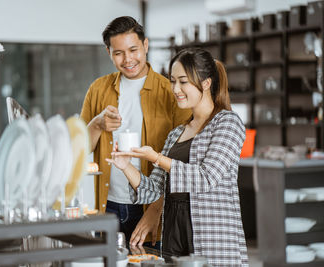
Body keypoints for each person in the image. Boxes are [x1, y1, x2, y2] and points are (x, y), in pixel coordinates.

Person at [107, 48, 249, 266]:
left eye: (183, 82)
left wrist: (156, 157)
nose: (175, 89)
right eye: (173, 81)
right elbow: (153, 189)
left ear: (206, 83)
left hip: (211, 239)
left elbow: (206, 177)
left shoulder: (227, 123)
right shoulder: (176, 133)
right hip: (174, 234)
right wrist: (125, 166)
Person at [80, 16, 191, 247]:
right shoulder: (98, 89)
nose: (128, 59)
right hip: (106, 205)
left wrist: (154, 210)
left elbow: (182, 161)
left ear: (146, 45)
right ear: (108, 52)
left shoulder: (171, 92)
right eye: (118, 52)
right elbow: (81, 149)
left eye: (133, 49)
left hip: (152, 208)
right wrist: (98, 124)